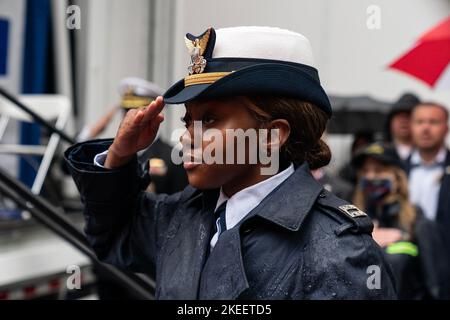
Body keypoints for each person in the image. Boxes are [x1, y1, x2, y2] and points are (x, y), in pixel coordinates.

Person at [65, 26, 396, 299]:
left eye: (209, 120)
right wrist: (120, 155)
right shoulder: (186, 214)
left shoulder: (339, 250)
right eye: (188, 120)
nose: (186, 136)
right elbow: (114, 234)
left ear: (271, 136)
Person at [352, 142, 450, 299]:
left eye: (378, 170)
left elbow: (437, 288)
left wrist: (401, 238)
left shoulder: (419, 225)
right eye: (365, 171)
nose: (370, 177)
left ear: (397, 178)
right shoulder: (352, 225)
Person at [406, 102, 450, 265]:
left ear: (446, 128)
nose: (425, 128)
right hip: (407, 261)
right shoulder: (397, 169)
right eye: (420, 122)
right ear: (411, 127)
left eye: (433, 122)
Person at [384, 93, 421, 161]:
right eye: (398, 116)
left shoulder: (432, 154)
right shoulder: (380, 153)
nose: (403, 120)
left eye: (409, 116)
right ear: (390, 122)